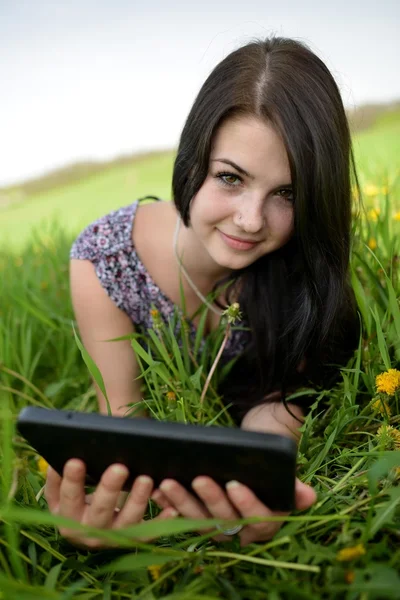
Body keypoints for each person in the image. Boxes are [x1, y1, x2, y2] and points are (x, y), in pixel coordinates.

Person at [45, 35, 360, 549]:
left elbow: (278, 398)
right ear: (194, 160)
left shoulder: (304, 264)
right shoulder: (104, 261)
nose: (252, 220)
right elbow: (123, 419)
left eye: (287, 193)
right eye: (231, 178)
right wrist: (109, 511)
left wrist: (251, 484)